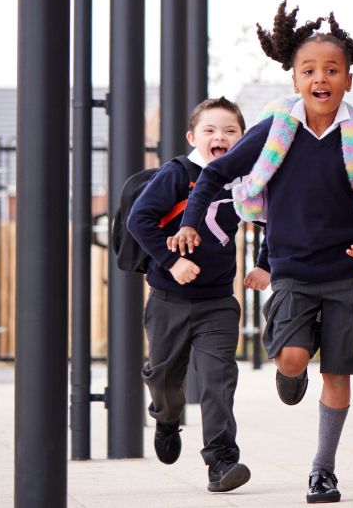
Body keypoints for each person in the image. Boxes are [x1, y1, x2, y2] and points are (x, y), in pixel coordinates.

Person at [170, 1, 353, 504]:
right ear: (295, 81)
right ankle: (287, 370)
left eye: (332, 70)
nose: (321, 78)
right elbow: (214, 173)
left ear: (348, 81)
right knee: (295, 359)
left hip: (344, 271)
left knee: (337, 374)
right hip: (292, 271)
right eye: (309, 70)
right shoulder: (277, 131)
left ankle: (323, 471)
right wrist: (190, 222)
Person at [128, 97, 262, 493]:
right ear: (193, 137)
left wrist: (267, 263)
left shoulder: (245, 179)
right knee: (165, 376)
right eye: (210, 130)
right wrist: (171, 263)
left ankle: (221, 461)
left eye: (230, 131)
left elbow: (273, 216)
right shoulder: (178, 174)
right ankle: (166, 418)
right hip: (169, 298)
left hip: (219, 301)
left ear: (241, 139)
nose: (220, 137)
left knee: (218, 380)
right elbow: (140, 219)